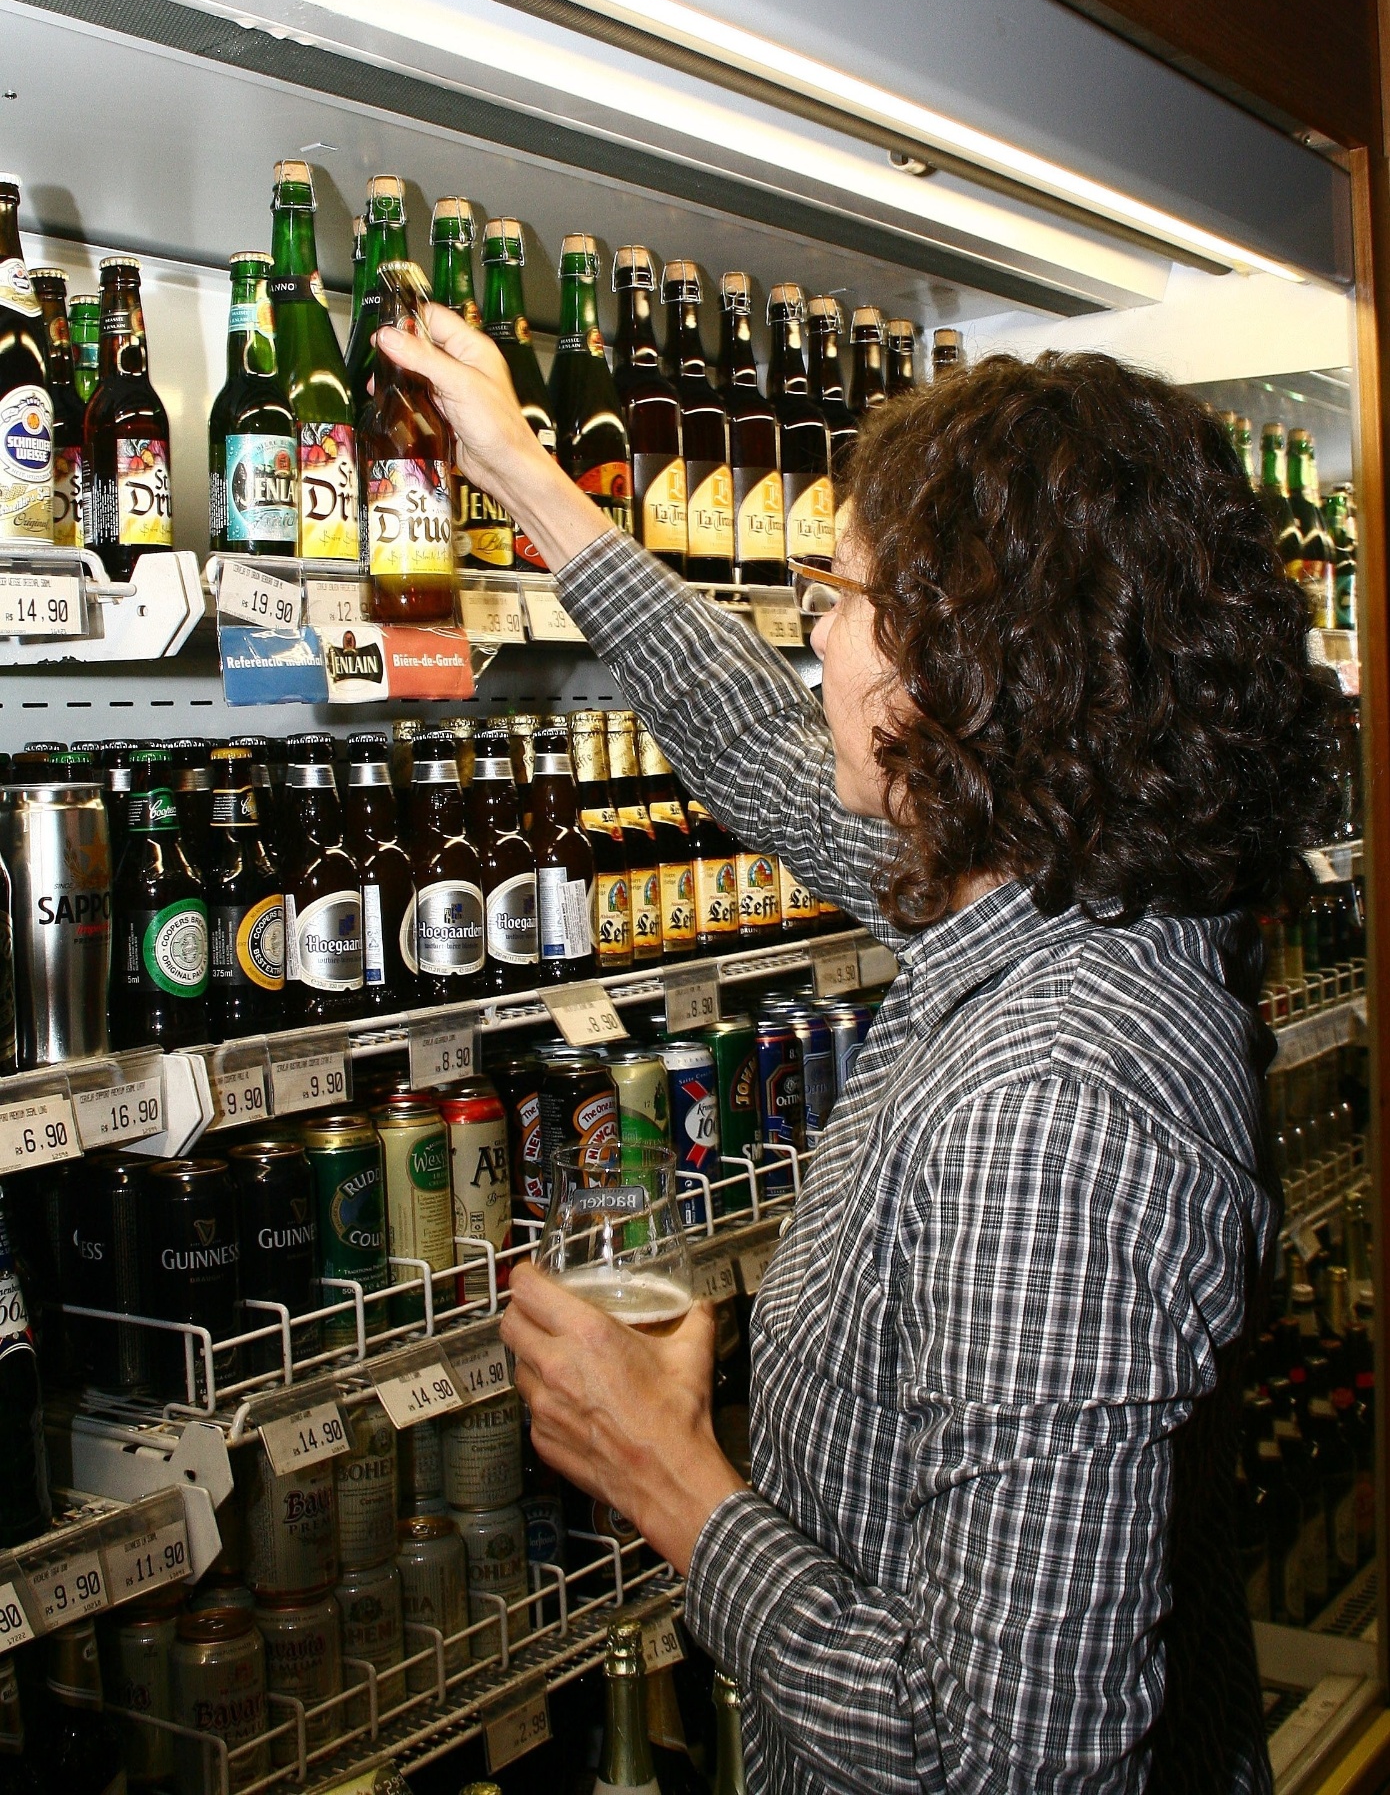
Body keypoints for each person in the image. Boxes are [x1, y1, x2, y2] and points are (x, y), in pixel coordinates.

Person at [380, 306, 1332, 1794]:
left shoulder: (1048, 1109)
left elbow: (1010, 1765)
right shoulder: (1074, 892)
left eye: (836, 594)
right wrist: (522, 475)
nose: (809, 629)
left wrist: (679, 1487)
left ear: (967, 669)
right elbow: (761, 746)